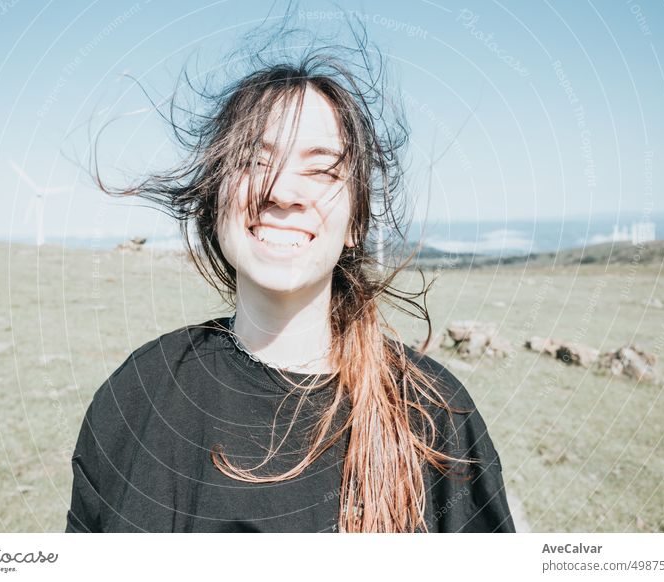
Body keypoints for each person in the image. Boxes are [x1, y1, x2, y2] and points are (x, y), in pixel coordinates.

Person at [66, 35, 515, 533]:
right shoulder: (139, 396)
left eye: (322, 170)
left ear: (356, 223)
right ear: (215, 197)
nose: (282, 192)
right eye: (256, 162)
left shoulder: (432, 412)